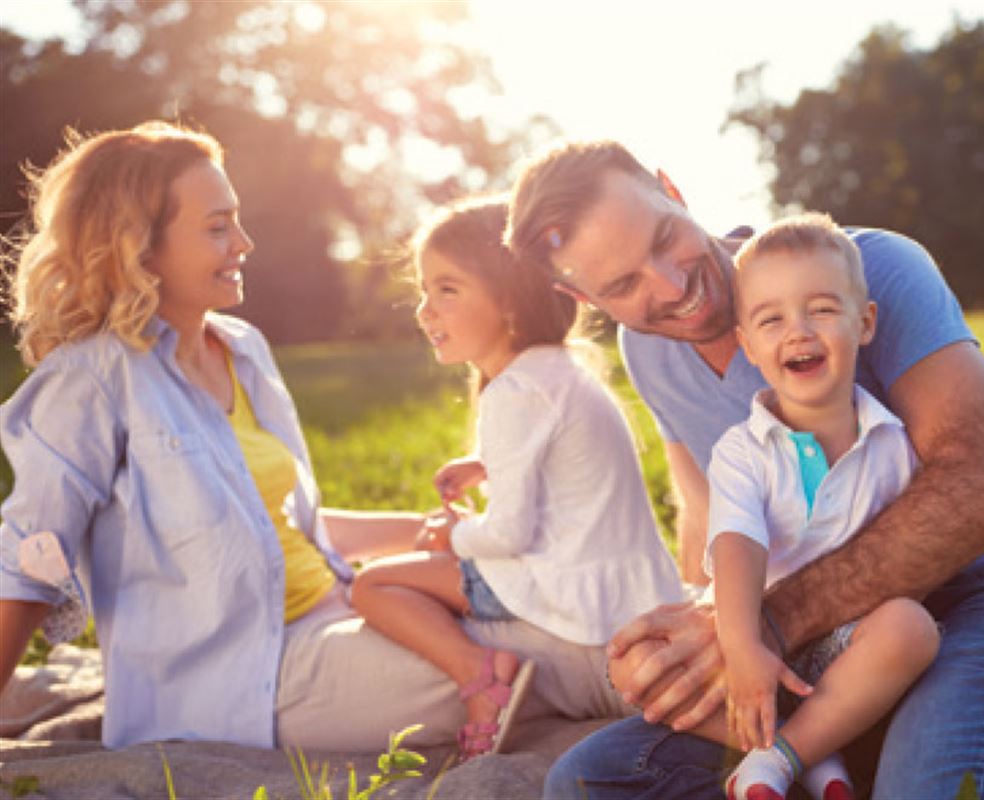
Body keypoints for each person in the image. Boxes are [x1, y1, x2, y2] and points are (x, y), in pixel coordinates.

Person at [0, 123, 661, 753]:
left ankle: (668, 661)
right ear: (139, 245)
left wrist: (424, 530)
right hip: (248, 676)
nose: (244, 243)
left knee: (526, 612)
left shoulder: (241, 349)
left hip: (335, 610)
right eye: (217, 226)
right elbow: (29, 560)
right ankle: (667, 678)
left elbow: (284, 529)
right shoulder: (88, 382)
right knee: (531, 648)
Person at [505, 140, 984, 799]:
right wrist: (701, 637)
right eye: (621, 285)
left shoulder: (868, 267)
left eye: (665, 237)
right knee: (587, 784)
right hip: (817, 650)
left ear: (671, 188)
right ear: (578, 294)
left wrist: (771, 621)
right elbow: (707, 513)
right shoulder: (646, 351)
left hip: (979, 593)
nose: (672, 286)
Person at [348, 198, 684, 761]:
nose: (425, 311)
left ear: (508, 302)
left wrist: (448, 536)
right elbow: (557, 455)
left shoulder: (513, 393)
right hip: (629, 587)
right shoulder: (561, 370)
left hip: (567, 591)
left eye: (447, 290)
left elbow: (508, 536)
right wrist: (484, 462)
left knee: (373, 585)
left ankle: (481, 675)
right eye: (425, 291)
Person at [708, 215, 939, 800]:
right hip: (758, 637)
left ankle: (779, 758)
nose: (799, 332)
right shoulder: (742, 450)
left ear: (864, 324)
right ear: (749, 345)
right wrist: (742, 648)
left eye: (822, 310)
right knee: (644, 666)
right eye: (772, 319)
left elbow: (913, 550)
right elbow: (736, 544)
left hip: (850, 648)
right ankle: (819, 754)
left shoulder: (894, 443)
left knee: (912, 627)